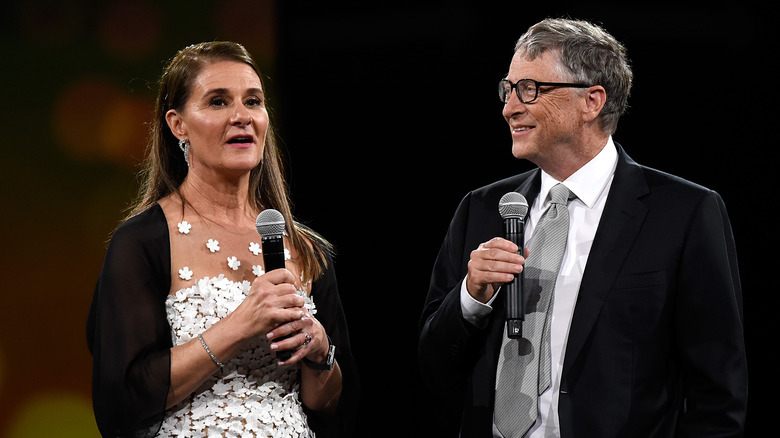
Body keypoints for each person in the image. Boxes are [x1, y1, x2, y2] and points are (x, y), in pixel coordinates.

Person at [418, 18, 747, 437]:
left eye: (530, 89)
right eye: (508, 89)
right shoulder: (481, 210)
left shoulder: (684, 214)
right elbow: (433, 370)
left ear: (591, 101)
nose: (509, 107)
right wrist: (470, 297)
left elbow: (717, 395)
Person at [87, 41, 357, 437]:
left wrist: (320, 351)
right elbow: (122, 399)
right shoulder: (142, 242)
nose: (241, 117)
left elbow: (337, 409)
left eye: (253, 101)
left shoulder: (304, 249)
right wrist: (240, 325)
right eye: (218, 102)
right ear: (178, 124)